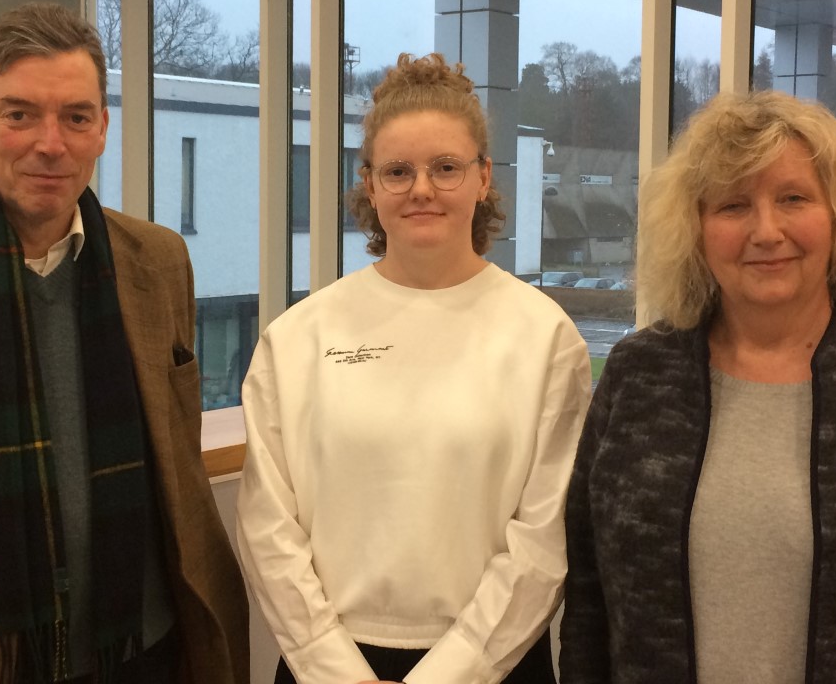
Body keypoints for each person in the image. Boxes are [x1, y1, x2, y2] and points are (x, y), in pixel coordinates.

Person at [0, 2, 248, 683]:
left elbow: (174, 470)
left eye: (76, 116)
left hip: (144, 651)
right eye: (20, 113)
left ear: (102, 130)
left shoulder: (159, 260)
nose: (50, 142)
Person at [560, 90, 836, 683]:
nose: (766, 231)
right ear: (696, 227)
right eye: (733, 205)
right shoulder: (638, 375)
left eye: (793, 198)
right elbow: (589, 600)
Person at [236, 53, 592, 684]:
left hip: (493, 665)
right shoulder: (298, 339)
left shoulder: (545, 338)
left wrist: (452, 673)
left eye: (446, 168)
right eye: (398, 171)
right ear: (369, 185)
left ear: (484, 178)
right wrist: (332, 669)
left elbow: (542, 543)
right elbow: (268, 531)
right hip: (327, 666)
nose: (421, 189)